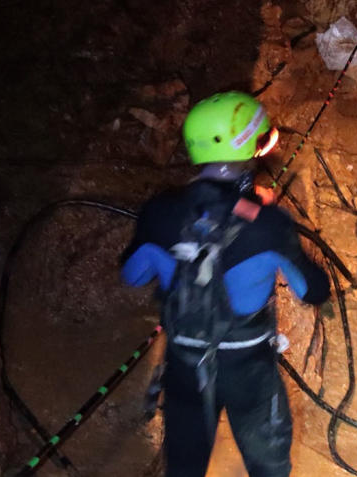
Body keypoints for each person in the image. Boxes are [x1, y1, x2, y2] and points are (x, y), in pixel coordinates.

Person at [120, 91, 330, 477]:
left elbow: (132, 275)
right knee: (268, 465)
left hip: (184, 362)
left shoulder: (159, 211)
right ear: (250, 146)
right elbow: (313, 290)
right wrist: (273, 228)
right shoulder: (269, 225)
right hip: (248, 369)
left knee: (183, 464)